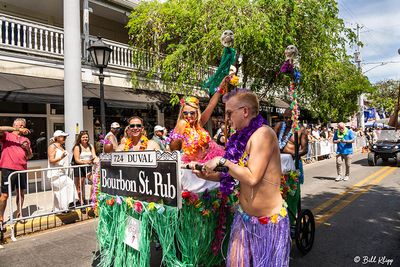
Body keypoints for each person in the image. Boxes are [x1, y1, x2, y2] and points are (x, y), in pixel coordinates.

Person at [195, 89, 290, 266]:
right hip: (244, 219)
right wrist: (208, 175)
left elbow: (252, 177)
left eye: (230, 113)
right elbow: (234, 175)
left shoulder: (263, 134)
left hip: (268, 223)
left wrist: (221, 160)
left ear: (245, 111)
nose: (228, 118)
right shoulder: (240, 138)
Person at [0, 118, 32, 227]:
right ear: (14, 125)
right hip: (8, 168)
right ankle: (0, 218)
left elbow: (29, 156)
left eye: (23, 125)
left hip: (22, 168)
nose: (22, 127)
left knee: (21, 193)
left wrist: (27, 149)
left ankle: (19, 214)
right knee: (5, 194)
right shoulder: (7, 136)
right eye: (20, 125)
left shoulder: (26, 139)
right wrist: (15, 129)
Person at [274, 109, 308, 182]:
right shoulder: (279, 126)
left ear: (295, 117)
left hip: (294, 163)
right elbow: (271, 141)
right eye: (286, 118)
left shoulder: (301, 129)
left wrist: (291, 155)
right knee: (279, 188)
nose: (288, 120)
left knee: (293, 187)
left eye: (290, 117)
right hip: (279, 162)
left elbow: (305, 150)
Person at [47, 130, 78, 211]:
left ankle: (59, 209)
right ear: (57, 137)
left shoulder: (61, 146)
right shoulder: (52, 146)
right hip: (55, 173)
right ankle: (69, 204)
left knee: (61, 192)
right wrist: (61, 157)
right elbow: (51, 160)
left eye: (65, 137)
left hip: (62, 172)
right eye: (63, 136)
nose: (65, 138)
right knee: (69, 184)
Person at [72, 131, 98, 205]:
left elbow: (94, 155)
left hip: (88, 168)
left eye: (86, 137)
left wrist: (96, 159)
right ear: (80, 138)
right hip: (79, 168)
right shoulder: (77, 147)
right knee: (80, 187)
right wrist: (86, 162)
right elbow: (77, 160)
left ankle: (90, 199)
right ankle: (81, 202)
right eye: (83, 137)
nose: (85, 138)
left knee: (95, 181)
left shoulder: (90, 146)